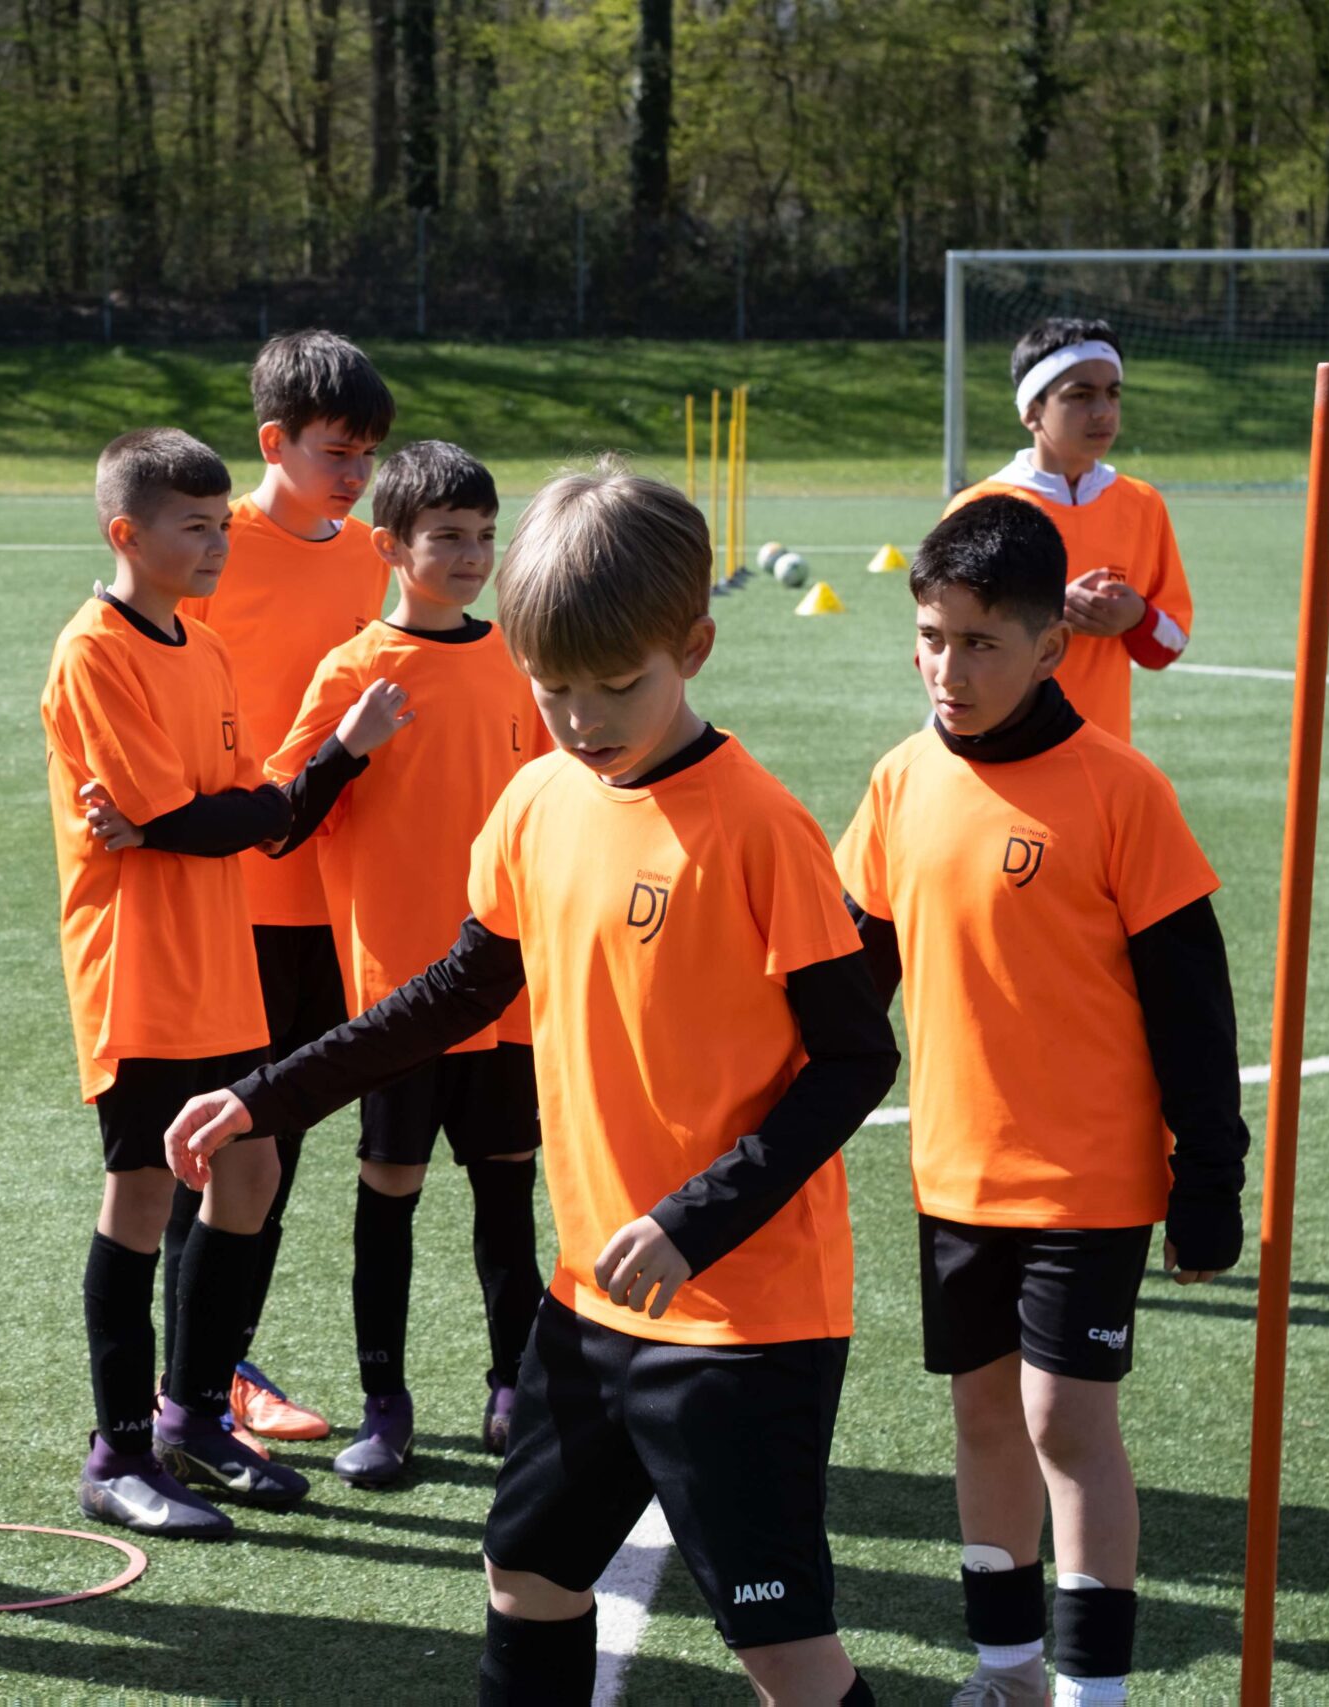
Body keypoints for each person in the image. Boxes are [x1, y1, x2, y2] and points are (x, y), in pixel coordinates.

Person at [168, 460, 899, 1705]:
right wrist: (265, 1096)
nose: (580, 718)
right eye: (551, 687)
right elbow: (456, 991)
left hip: (741, 1322)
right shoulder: (535, 802)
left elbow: (854, 1058)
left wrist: (693, 1221)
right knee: (526, 1574)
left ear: (694, 648)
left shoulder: (756, 826)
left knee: (781, 1648)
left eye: (617, 687)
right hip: (590, 1300)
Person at [833, 496, 1248, 1707]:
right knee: (981, 1420)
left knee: (1064, 1420)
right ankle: (1007, 1671)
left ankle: (1090, 1693)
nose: (947, 670)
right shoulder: (900, 780)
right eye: (930, 638)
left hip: (1089, 1177)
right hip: (954, 1174)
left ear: (1050, 647)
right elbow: (847, 985)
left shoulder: (1120, 791)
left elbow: (1192, 1008)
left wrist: (1209, 1174)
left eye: (980, 644)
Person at [47, 427, 409, 1537]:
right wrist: (190, 820)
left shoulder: (201, 647)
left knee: (249, 1171)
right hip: (140, 972)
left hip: (223, 961)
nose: (217, 545)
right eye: (194, 527)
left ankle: (192, 1415)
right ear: (127, 534)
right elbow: (188, 814)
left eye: (220, 525)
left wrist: (207, 815)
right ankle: (116, 1452)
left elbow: (250, 812)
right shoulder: (94, 651)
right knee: (142, 1196)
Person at [265, 439, 549, 1487]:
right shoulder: (354, 671)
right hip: (398, 995)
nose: (472, 556)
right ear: (389, 546)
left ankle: (514, 1385)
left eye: (484, 537)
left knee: (506, 1189)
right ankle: (384, 1404)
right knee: (390, 1188)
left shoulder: (517, 660)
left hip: (507, 983)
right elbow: (281, 820)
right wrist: (348, 745)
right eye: (448, 538)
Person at [172, 329, 399, 1445]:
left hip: (336, 896)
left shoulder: (368, 556)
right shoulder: (215, 545)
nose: (355, 474)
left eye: (367, 454)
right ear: (274, 443)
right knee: (219, 1145)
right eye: (334, 451)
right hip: (236, 897)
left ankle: (221, 1364)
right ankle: (196, 1379)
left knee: (282, 1138)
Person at [943, 318, 1192, 742]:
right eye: (1080, 395)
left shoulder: (1142, 504)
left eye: (1113, 393)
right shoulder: (978, 507)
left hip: (1103, 751)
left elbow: (1169, 644)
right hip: (999, 751)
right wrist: (1047, 612)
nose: (1103, 410)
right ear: (1032, 411)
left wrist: (1137, 617)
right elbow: (940, 648)